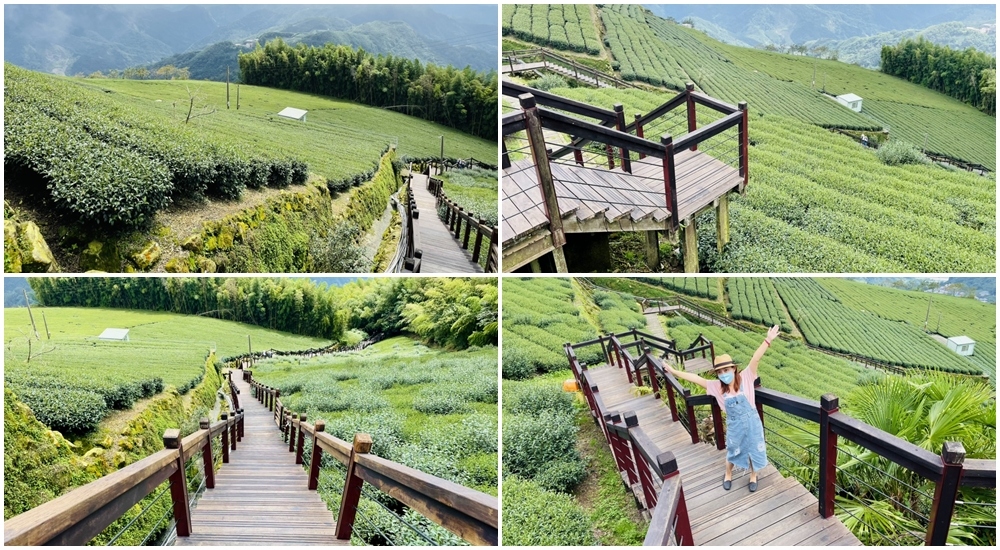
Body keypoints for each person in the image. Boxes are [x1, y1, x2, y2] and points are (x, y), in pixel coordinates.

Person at [664, 325, 779, 492]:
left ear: (733, 369)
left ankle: (753, 475)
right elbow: (695, 378)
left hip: (753, 422)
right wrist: (674, 371)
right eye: (720, 372)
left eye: (726, 370)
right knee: (732, 451)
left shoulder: (746, 377)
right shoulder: (716, 387)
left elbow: (755, 359)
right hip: (735, 425)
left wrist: (768, 340)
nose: (723, 374)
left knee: (754, 449)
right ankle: (728, 474)